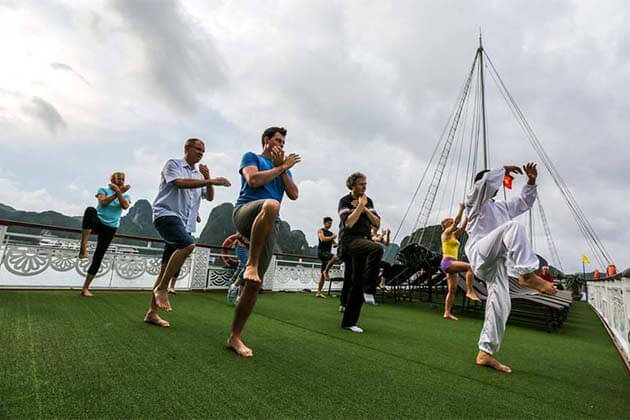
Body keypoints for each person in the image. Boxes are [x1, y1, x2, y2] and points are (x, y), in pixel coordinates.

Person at [464, 162, 556, 373]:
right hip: (480, 254)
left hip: (496, 264)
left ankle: (484, 353)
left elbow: (523, 202)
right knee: (513, 228)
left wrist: (531, 182)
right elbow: (484, 182)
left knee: (501, 305)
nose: (496, 184)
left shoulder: (501, 207)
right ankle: (526, 274)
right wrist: (502, 169)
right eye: (493, 180)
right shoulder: (475, 204)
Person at [228, 127, 300, 357]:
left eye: (284, 142)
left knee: (254, 285)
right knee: (271, 204)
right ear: (266, 140)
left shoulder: (284, 171)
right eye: (278, 140)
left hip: (270, 223)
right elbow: (253, 180)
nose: (281, 145)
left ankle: (235, 337)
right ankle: (250, 263)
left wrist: (284, 171)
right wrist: (281, 167)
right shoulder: (252, 157)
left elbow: (295, 194)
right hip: (245, 212)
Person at [144, 138, 231, 328]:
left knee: (166, 267)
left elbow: (208, 197)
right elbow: (179, 183)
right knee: (188, 244)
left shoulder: (199, 176)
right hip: (166, 214)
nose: (201, 153)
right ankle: (163, 288)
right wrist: (210, 180)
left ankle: (152, 312)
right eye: (198, 149)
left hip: (184, 223)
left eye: (203, 151)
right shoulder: (173, 164)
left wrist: (207, 179)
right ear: (187, 149)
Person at [337, 172, 383, 333]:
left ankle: (349, 322)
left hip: (364, 240)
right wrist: (360, 207)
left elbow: (377, 222)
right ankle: (369, 289)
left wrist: (365, 208)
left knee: (356, 282)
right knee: (377, 248)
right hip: (349, 241)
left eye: (365, 184)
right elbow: (349, 223)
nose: (365, 186)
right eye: (361, 184)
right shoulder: (344, 201)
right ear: (353, 185)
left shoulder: (368, 201)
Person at [78, 172, 131, 297]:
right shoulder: (103, 190)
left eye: (123, 179)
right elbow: (103, 203)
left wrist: (119, 192)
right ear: (112, 180)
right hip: (98, 222)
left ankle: (85, 288)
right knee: (90, 210)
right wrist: (116, 192)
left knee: (99, 256)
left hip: (110, 228)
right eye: (119, 178)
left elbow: (125, 206)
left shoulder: (126, 195)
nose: (121, 181)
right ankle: (83, 246)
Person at [440, 203, 480, 321]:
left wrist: (468, 213)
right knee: (470, 267)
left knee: (452, 290)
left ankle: (447, 312)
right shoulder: (446, 234)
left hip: (453, 264)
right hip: (447, 262)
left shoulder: (453, 236)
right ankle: (469, 291)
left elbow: (462, 227)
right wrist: (461, 208)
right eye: (450, 221)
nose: (452, 221)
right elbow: (457, 222)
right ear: (445, 225)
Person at [167, 214, 202, 295]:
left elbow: (199, 220)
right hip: (175, 229)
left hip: (186, 233)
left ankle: (172, 286)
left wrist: (196, 214)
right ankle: (163, 285)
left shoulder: (193, 206)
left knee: (179, 262)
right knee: (167, 259)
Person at [316, 217, 337, 298]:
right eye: (328, 223)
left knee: (322, 275)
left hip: (327, 255)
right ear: (325, 223)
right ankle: (326, 272)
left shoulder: (330, 233)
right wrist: (332, 237)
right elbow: (322, 239)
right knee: (334, 257)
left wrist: (336, 243)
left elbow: (334, 244)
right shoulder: (320, 230)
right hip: (321, 253)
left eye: (331, 223)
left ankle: (318, 292)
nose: (330, 224)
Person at [227, 233, 249, 305]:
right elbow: (239, 233)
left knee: (245, 273)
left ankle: (239, 298)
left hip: (249, 249)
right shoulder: (247, 223)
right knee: (248, 266)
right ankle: (234, 286)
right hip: (242, 248)